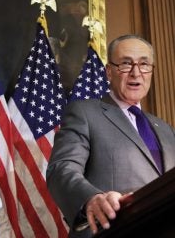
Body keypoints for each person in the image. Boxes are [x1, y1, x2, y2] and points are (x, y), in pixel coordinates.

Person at [46, 34, 175, 238]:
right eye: (125, 64)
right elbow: (61, 169)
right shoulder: (84, 113)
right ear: (109, 72)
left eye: (144, 64)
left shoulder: (166, 130)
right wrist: (91, 199)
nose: (136, 73)